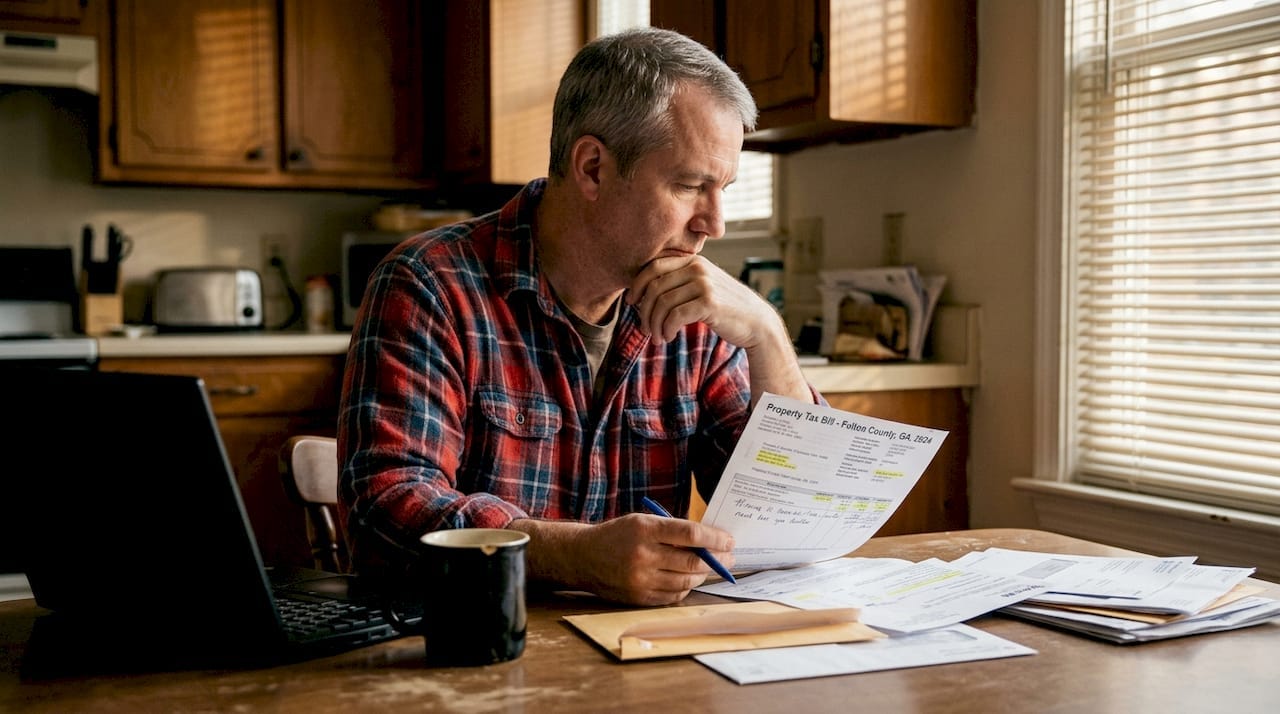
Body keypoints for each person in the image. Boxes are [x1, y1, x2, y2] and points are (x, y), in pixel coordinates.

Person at [338, 27, 820, 606]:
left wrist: (766, 336)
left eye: (725, 189)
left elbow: (793, 521)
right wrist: (574, 555)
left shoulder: (697, 316)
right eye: (691, 185)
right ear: (592, 168)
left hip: (643, 657)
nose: (714, 224)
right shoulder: (431, 285)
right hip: (477, 650)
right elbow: (384, 509)